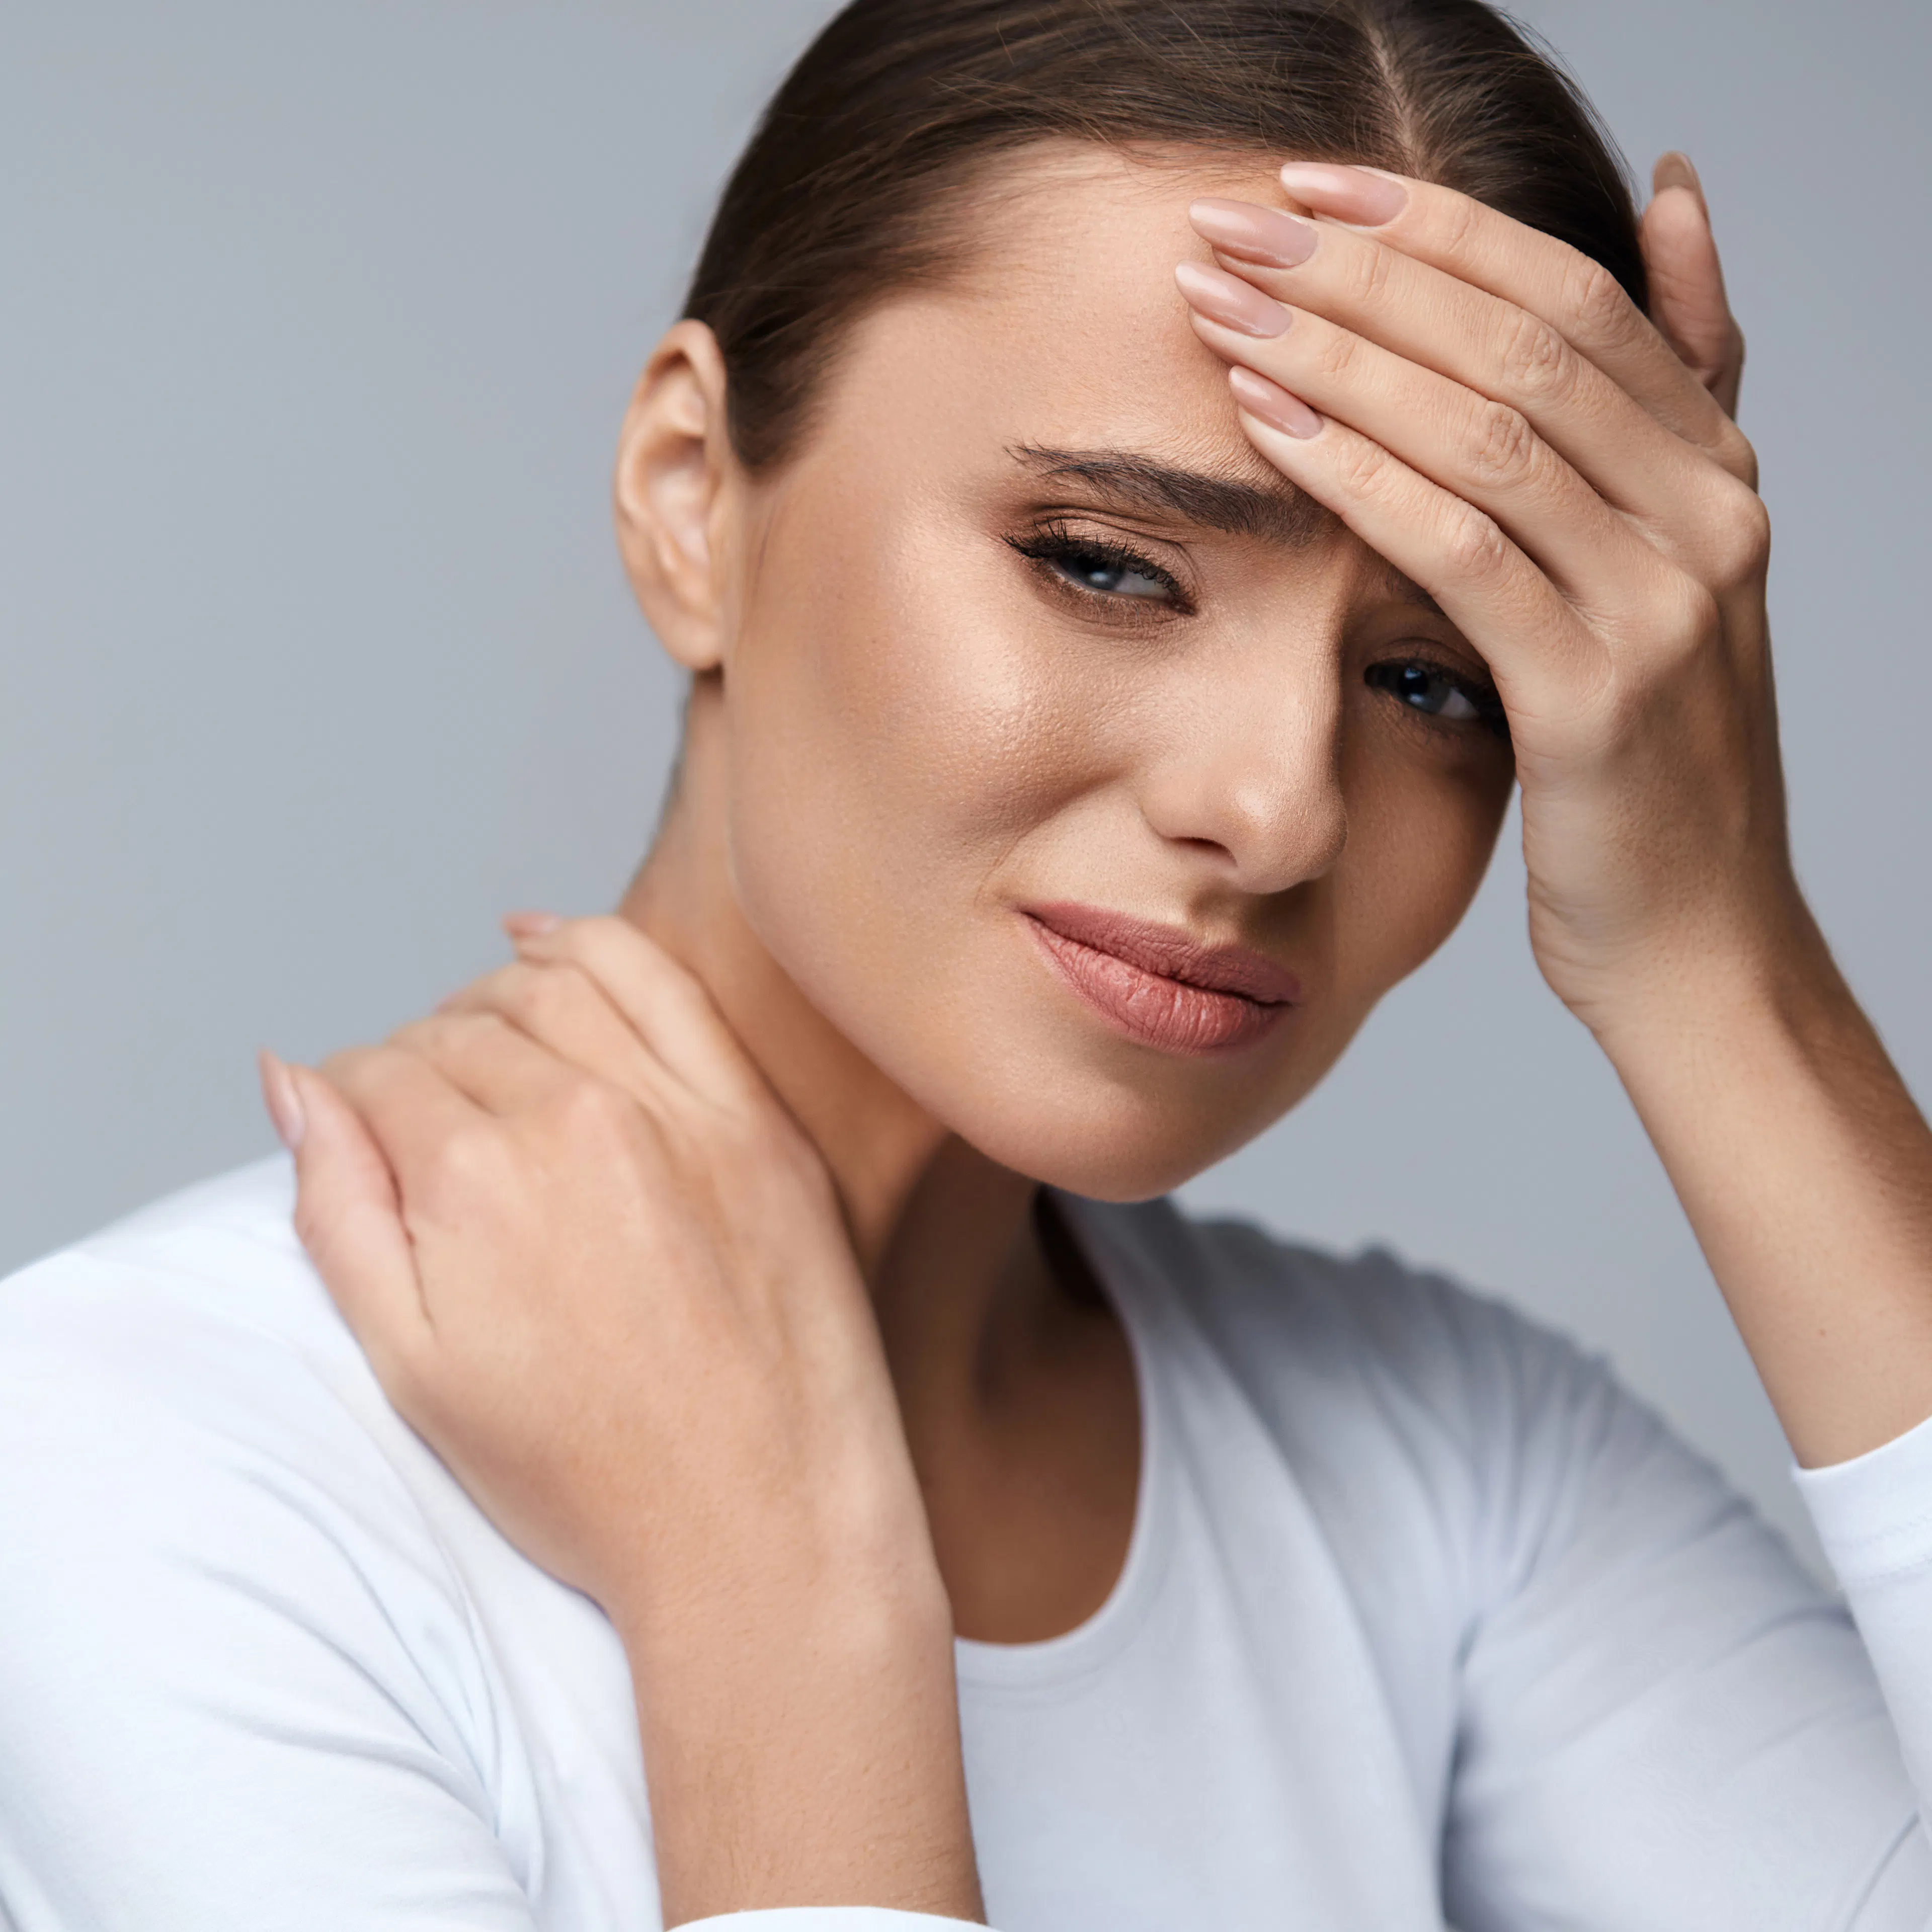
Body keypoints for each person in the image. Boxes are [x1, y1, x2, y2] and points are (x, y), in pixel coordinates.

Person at [5, 0, 1932, 1926]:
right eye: (1106, 561)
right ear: (694, 494)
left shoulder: (1452, 1475)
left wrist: (1717, 959)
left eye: (1436, 680)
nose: (1281, 811)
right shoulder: (122, 1460)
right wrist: (785, 1596)